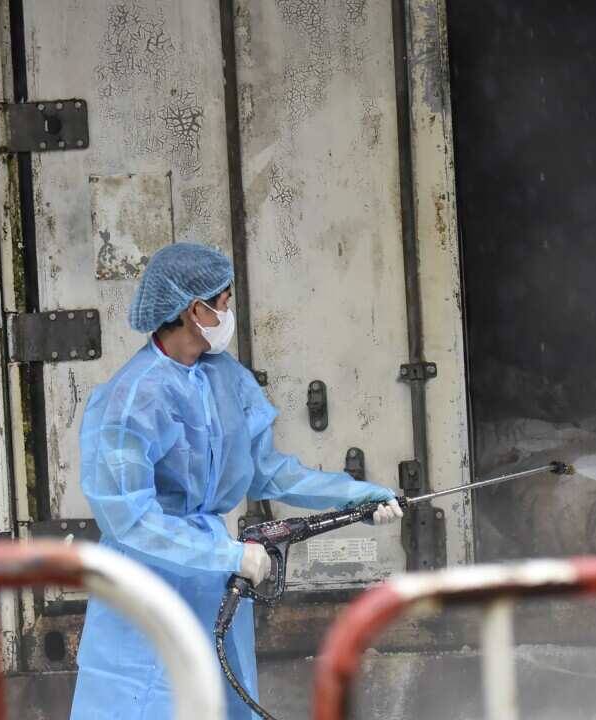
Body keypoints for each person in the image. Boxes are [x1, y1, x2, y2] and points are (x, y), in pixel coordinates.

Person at [70, 243, 403, 719]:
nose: (228, 313)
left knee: (221, 700)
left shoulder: (224, 377)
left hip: (211, 582)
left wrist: (358, 498)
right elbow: (131, 520)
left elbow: (268, 470)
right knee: (146, 701)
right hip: (145, 582)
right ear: (194, 309)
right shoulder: (130, 398)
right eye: (223, 303)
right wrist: (229, 554)